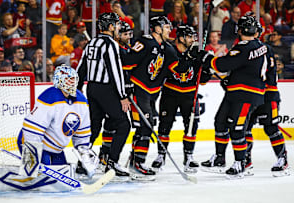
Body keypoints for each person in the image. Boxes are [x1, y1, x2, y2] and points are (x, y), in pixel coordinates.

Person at [188, 15, 267, 178]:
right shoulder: (257, 46)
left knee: (237, 129)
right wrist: (228, 78)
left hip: (246, 94)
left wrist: (205, 57)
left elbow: (222, 65)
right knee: (220, 122)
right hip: (237, 92)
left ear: (240, 29)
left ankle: (240, 163)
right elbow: (239, 67)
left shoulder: (244, 47)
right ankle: (219, 158)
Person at [122, 16, 179, 176]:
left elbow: (178, 70)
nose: (170, 30)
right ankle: (138, 162)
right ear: (158, 29)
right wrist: (127, 85)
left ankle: (135, 159)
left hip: (152, 93)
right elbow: (126, 63)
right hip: (139, 90)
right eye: (167, 27)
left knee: (144, 126)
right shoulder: (145, 42)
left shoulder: (167, 48)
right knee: (146, 126)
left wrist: (195, 59)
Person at [76, 12, 131, 177]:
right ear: (111, 26)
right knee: (123, 124)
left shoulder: (91, 43)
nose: (119, 27)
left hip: (91, 89)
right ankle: (112, 162)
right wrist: (122, 96)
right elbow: (115, 72)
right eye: (117, 24)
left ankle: (82, 163)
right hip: (106, 90)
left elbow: (81, 68)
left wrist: (77, 90)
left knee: (94, 126)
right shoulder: (111, 44)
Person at [151, 25, 211, 173]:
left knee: (191, 126)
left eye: (193, 37)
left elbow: (202, 80)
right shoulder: (169, 51)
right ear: (181, 37)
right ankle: (161, 155)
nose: (192, 40)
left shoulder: (196, 52)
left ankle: (189, 157)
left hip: (190, 96)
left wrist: (206, 67)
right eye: (189, 37)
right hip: (170, 94)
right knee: (165, 125)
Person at [244, 21, 289, 177]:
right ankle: (246, 159)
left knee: (271, 128)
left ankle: (282, 159)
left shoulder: (264, 50)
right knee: (246, 127)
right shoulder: (253, 49)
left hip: (268, 95)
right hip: (253, 95)